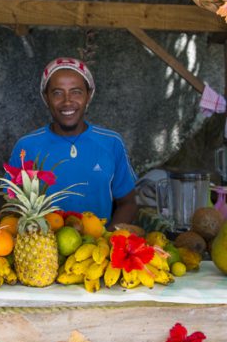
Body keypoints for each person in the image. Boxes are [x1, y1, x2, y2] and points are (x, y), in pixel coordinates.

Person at [8, 57, 137, 225]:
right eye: (57, 93)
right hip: (43, 248)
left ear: (89, 95)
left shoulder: (111, 143)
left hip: (97, 248)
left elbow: (128, 203)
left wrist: (108, 241)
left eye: (76, 92)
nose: (67, 101)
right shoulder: (27, 147)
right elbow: (11, 206)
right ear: (45, 97)